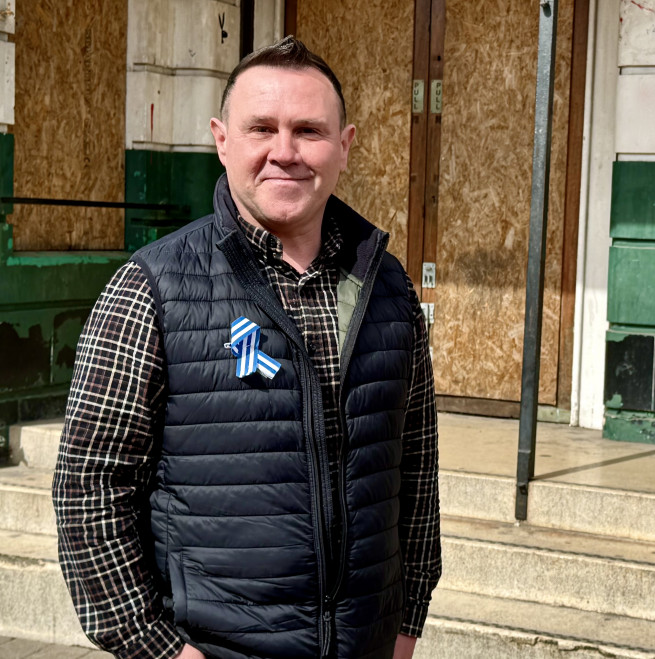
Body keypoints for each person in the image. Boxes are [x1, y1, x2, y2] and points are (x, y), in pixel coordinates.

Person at [52, 36, 441, 659]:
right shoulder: (153, 287)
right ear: (221, 139)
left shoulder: (388, 285)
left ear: (344, 147)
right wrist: (153, 646)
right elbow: (91, 482)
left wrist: (406, 621)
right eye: (262, 127)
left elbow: (415, 471)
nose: (283, 152)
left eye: (309, 131)